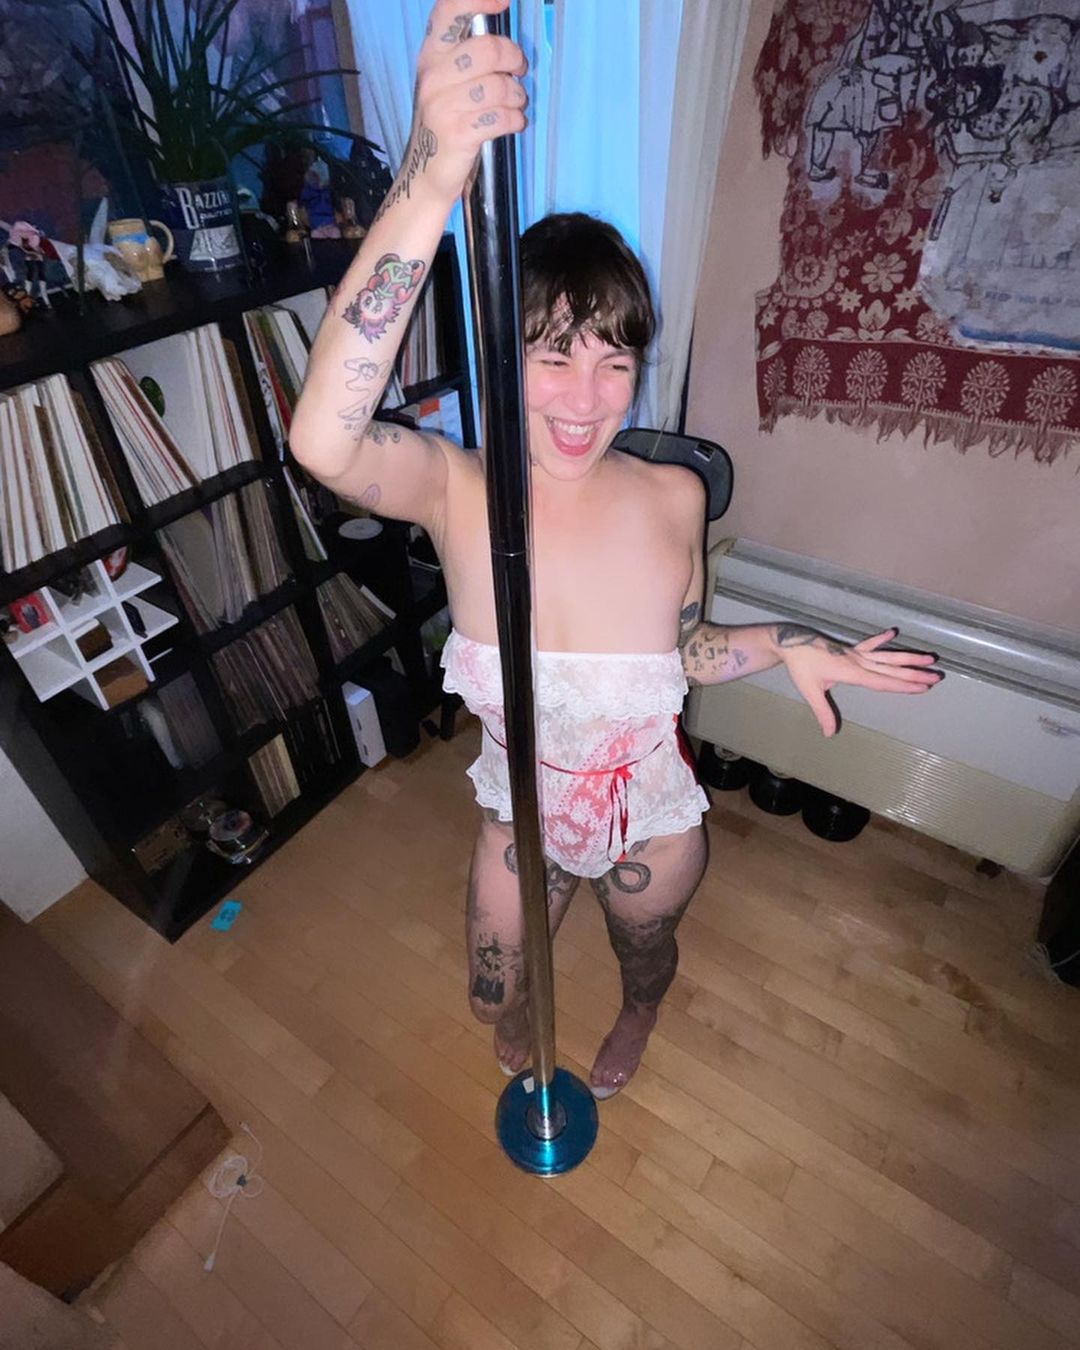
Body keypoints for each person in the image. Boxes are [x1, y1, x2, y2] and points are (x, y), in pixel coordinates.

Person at [291, 0, 942, 1099]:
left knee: (645, 957)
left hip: (651, 823)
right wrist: (434, 176)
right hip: (521, 817)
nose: (586, 400)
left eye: (614, 362)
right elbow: (322, 442)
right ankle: (537, 999)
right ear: (504, 356)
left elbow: (682, 652)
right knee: (492, 997)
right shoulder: (456, 490)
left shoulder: (676, 497)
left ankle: (639, 1013)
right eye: (553, 356)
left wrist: (788, 644)